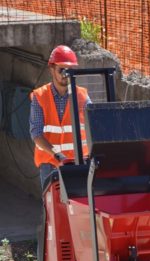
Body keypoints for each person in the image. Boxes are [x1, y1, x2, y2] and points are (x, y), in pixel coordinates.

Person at [29, 45, 90, 188]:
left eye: (69, 70)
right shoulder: (40, 96)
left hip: (78, 163)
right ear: (51, 68)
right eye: (61, 69)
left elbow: (95, 127)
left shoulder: (83, 97)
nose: (65, 74)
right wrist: (57, 155)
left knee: (77, 207)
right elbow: (36, 133)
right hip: (50, 164)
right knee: (52, 208)